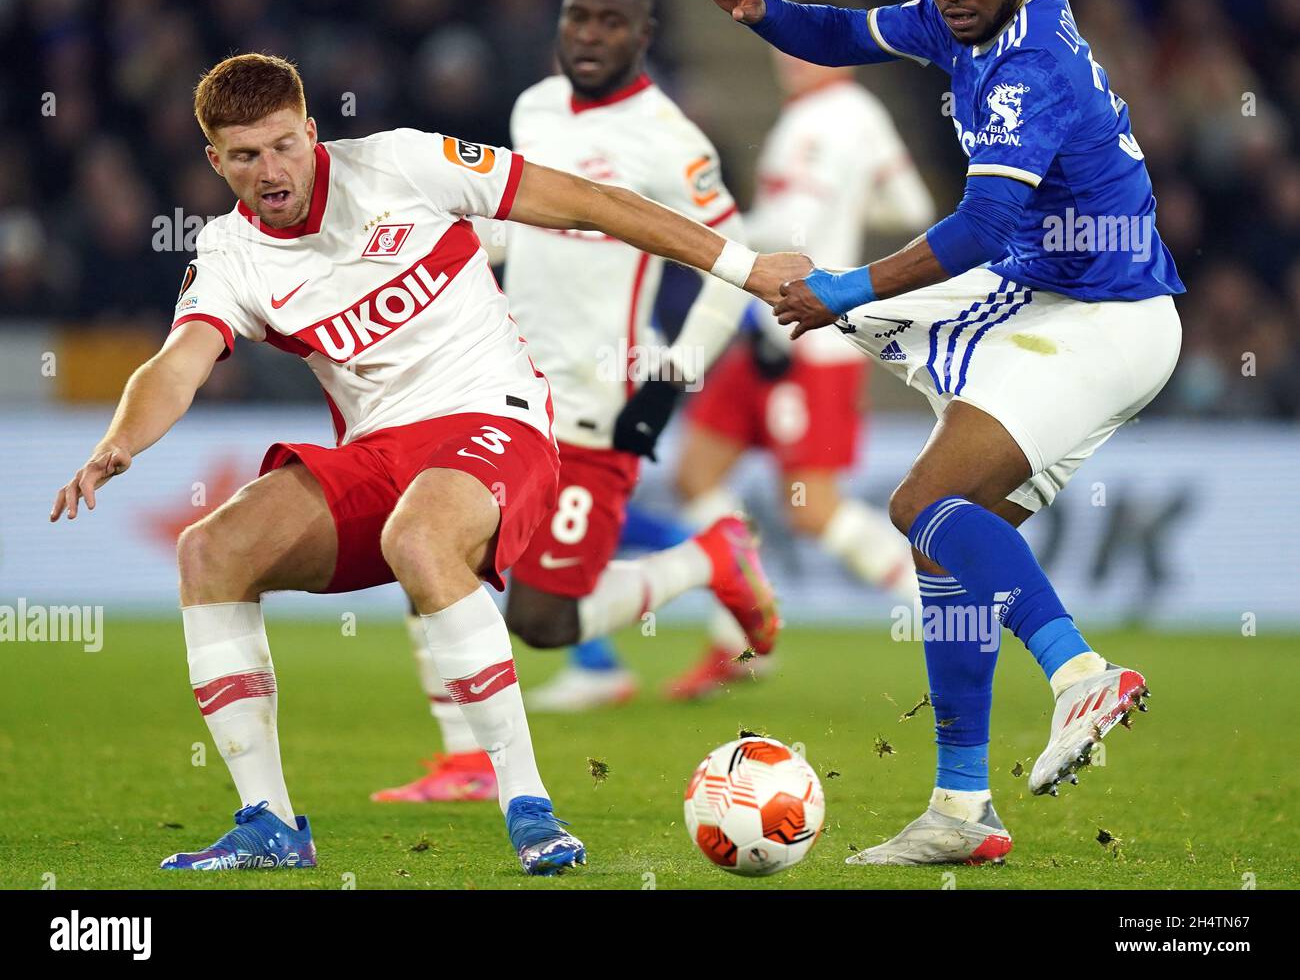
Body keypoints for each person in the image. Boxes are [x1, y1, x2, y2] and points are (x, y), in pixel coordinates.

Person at [48, 51, 804, 875]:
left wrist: (748, 268)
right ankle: (268, 821)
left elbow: (590, 201)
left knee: (421, 535)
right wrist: (119, 440)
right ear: (214, 161)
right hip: (378, 450)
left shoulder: (402, 163)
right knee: (209, 550)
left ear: (311, 131)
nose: (269, 171)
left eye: (281, 147)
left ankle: (529, 805)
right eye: (244, 156)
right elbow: (179, 361)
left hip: (495, 420)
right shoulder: (231, 252)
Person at [682, 0, 1182, 865]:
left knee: (920, 499)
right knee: (945, 540)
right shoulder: (969, 16)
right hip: (1049, 292)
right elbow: (849, 36)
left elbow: (983, 225)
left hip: (1101, 316)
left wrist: (847, 289)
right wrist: (764, 12)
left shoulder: (1028, 69)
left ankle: (1079, 669)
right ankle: (960, 810)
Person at [371, 0, 772, 802]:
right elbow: (522, 226)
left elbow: (732, 266)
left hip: (599, 404)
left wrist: (669, 377)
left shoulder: (671, 141)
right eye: (577, 17)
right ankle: (466, 759)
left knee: (544, 622)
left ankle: (710, 557)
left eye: (610, 22)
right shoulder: (534, 106)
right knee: (426, 541)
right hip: (501, 386)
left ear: (644, 35)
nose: (589, 36)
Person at [667, 14, 936, 700]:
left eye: (804, 48)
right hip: (771, 328)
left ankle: (940, 609)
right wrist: (849, 225)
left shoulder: (821, 122)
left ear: (836, 54)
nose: (790, 60)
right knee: (697, 472)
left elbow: (795, 229)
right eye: (785, 47)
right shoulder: (857, 114)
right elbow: (910, 202)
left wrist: (703, 234)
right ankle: (744, 640)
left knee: (811, 507)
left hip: (802, 336)